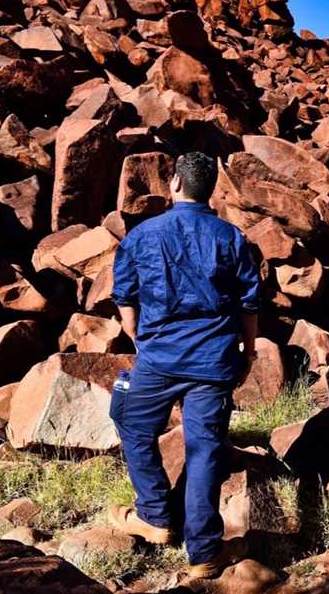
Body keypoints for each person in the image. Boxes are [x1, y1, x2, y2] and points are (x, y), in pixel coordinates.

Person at [108, 152, 260, 578]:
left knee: (134, 425)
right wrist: (248, 353)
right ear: (210, 189)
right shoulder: (232, 238)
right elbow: (249, 304)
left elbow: (124, 297)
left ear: (174, 183)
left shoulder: (143, 235)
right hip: (212, 360)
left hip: (158, 358)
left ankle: (155, 516)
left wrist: (141, 340)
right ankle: (205, 554)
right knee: (204, 448)